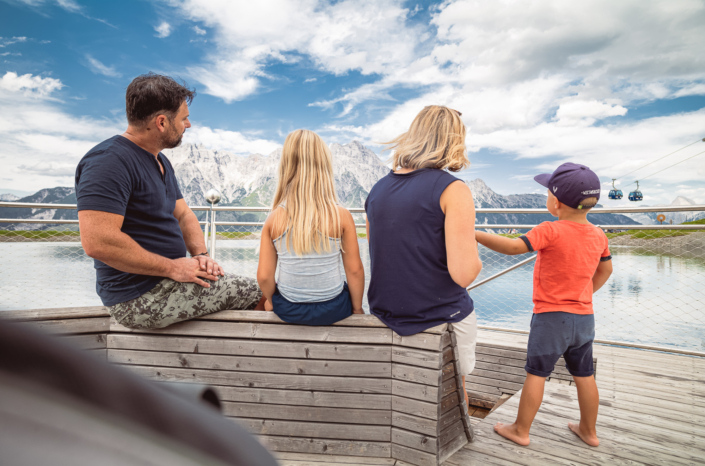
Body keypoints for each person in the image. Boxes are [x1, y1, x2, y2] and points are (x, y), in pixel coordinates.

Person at [75, 73, 264, 330]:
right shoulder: (108, 162)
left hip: (167, 281)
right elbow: (98, 242)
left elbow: (184, 214)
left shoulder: (159, 160)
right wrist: (173, 268)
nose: (188, 125)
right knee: (263, 293)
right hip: (139, 298)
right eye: (184, 118)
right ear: (161, 122)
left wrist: (200, 254)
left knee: (256, 289)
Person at [475, 162, 613, 447]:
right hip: (584, 317)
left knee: (537, 374)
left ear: (556, 201)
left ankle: (520, 430)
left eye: (547, 192)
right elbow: (606, 271)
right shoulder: (599, 235)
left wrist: (471, 233)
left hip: (551, 318)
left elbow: (514, 247)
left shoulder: (550, 229)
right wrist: (584, 293)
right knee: (585, 374)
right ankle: (589, 431)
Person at [365, 105, 483, 405]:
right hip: (441, 317)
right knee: (456, 395)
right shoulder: (453, 190)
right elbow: (464, 274)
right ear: (453, 141)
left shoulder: (377, 190)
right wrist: (473, 247)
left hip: (386, 314)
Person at [256, 129, 365, 324]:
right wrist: (357, 309)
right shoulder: (341, 215)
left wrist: (272, 302)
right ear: (324, 166)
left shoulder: (274, 219)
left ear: (286, 167)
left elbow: (264, 277)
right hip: (334, 309)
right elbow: (354, 270)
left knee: (264, 302)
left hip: (289, 310)